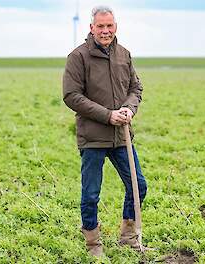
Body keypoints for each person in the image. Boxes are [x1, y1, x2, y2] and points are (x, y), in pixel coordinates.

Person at [63, 5, 148, 257]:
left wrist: (128, 109)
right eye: (100, 26)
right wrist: (107, 115)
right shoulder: (78, 57)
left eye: (109, 25)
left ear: (115, 27)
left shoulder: (124, 55)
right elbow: (71, 96)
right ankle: (93, 245)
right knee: (91, 194)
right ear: (91, 28)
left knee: (138, 186)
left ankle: (129, 238)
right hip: (93, 137)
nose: (105, 30)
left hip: (121, 136)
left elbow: (136, 88)